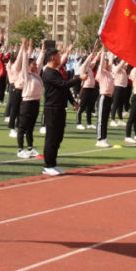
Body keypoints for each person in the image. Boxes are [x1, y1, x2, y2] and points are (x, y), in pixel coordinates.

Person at [41, 46, 82, 175]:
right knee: (51, 138)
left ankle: (53, 163)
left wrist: (73, 101)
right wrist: (79, 78)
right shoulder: (48, 72)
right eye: (59, 56)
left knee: (58, 137)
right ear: (53, 57)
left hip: (60, 108)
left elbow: (64, 89)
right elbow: (63, 84)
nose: (61, 58)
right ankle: (48, 165)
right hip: (52, 109)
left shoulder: (56, 71)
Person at [15, 40, 43, 158]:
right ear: (28, 66)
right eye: (34, 65)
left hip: (35, 103)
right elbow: (24, 63)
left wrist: (42, 50)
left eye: (36, 65)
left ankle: (30, 148)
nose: (36, 66)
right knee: (22, 127)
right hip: (27, 103)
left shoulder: (37, 75)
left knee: (31, 127)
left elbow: (40, 62)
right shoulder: (25, 75)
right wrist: (25, 50)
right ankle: (20, 149)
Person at [93, 50, 113, 147]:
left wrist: (112, 52)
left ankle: (104, 138)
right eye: (105, 62)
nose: (106, 63)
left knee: (105, 119)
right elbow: (101, 64)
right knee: (101, 119)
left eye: (106, 62)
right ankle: (99, 139)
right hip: (103, 97)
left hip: (109, 97)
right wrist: (103, 52)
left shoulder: (109, 73)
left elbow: (111, 62)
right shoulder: (100, 73)